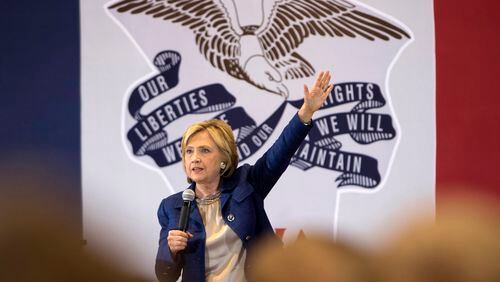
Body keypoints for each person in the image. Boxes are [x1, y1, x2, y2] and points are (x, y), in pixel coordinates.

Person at [154, 71, 334, 281]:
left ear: (224, 158)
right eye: (189, 151)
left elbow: (280, 152)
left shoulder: (247, 184)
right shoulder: (172, 207)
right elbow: (165, 275)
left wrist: (305, 113)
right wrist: (171, 250)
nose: (194, 158)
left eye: (204, 151)